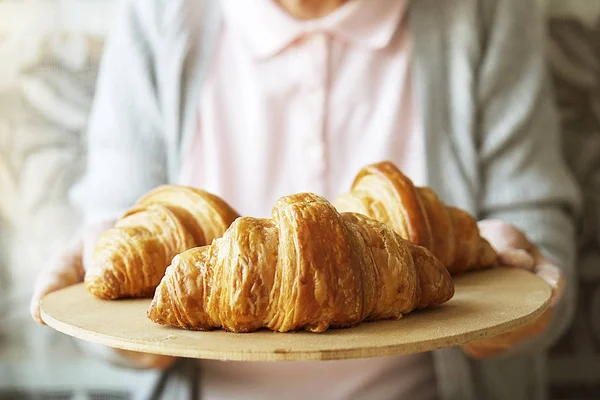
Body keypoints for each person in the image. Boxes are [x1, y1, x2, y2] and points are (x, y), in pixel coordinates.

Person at [29, 0, 581, 399]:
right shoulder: (159, 17)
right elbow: (112, 255)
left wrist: (518, 307)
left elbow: (537, 238)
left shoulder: (485, 14)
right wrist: (123, 331)